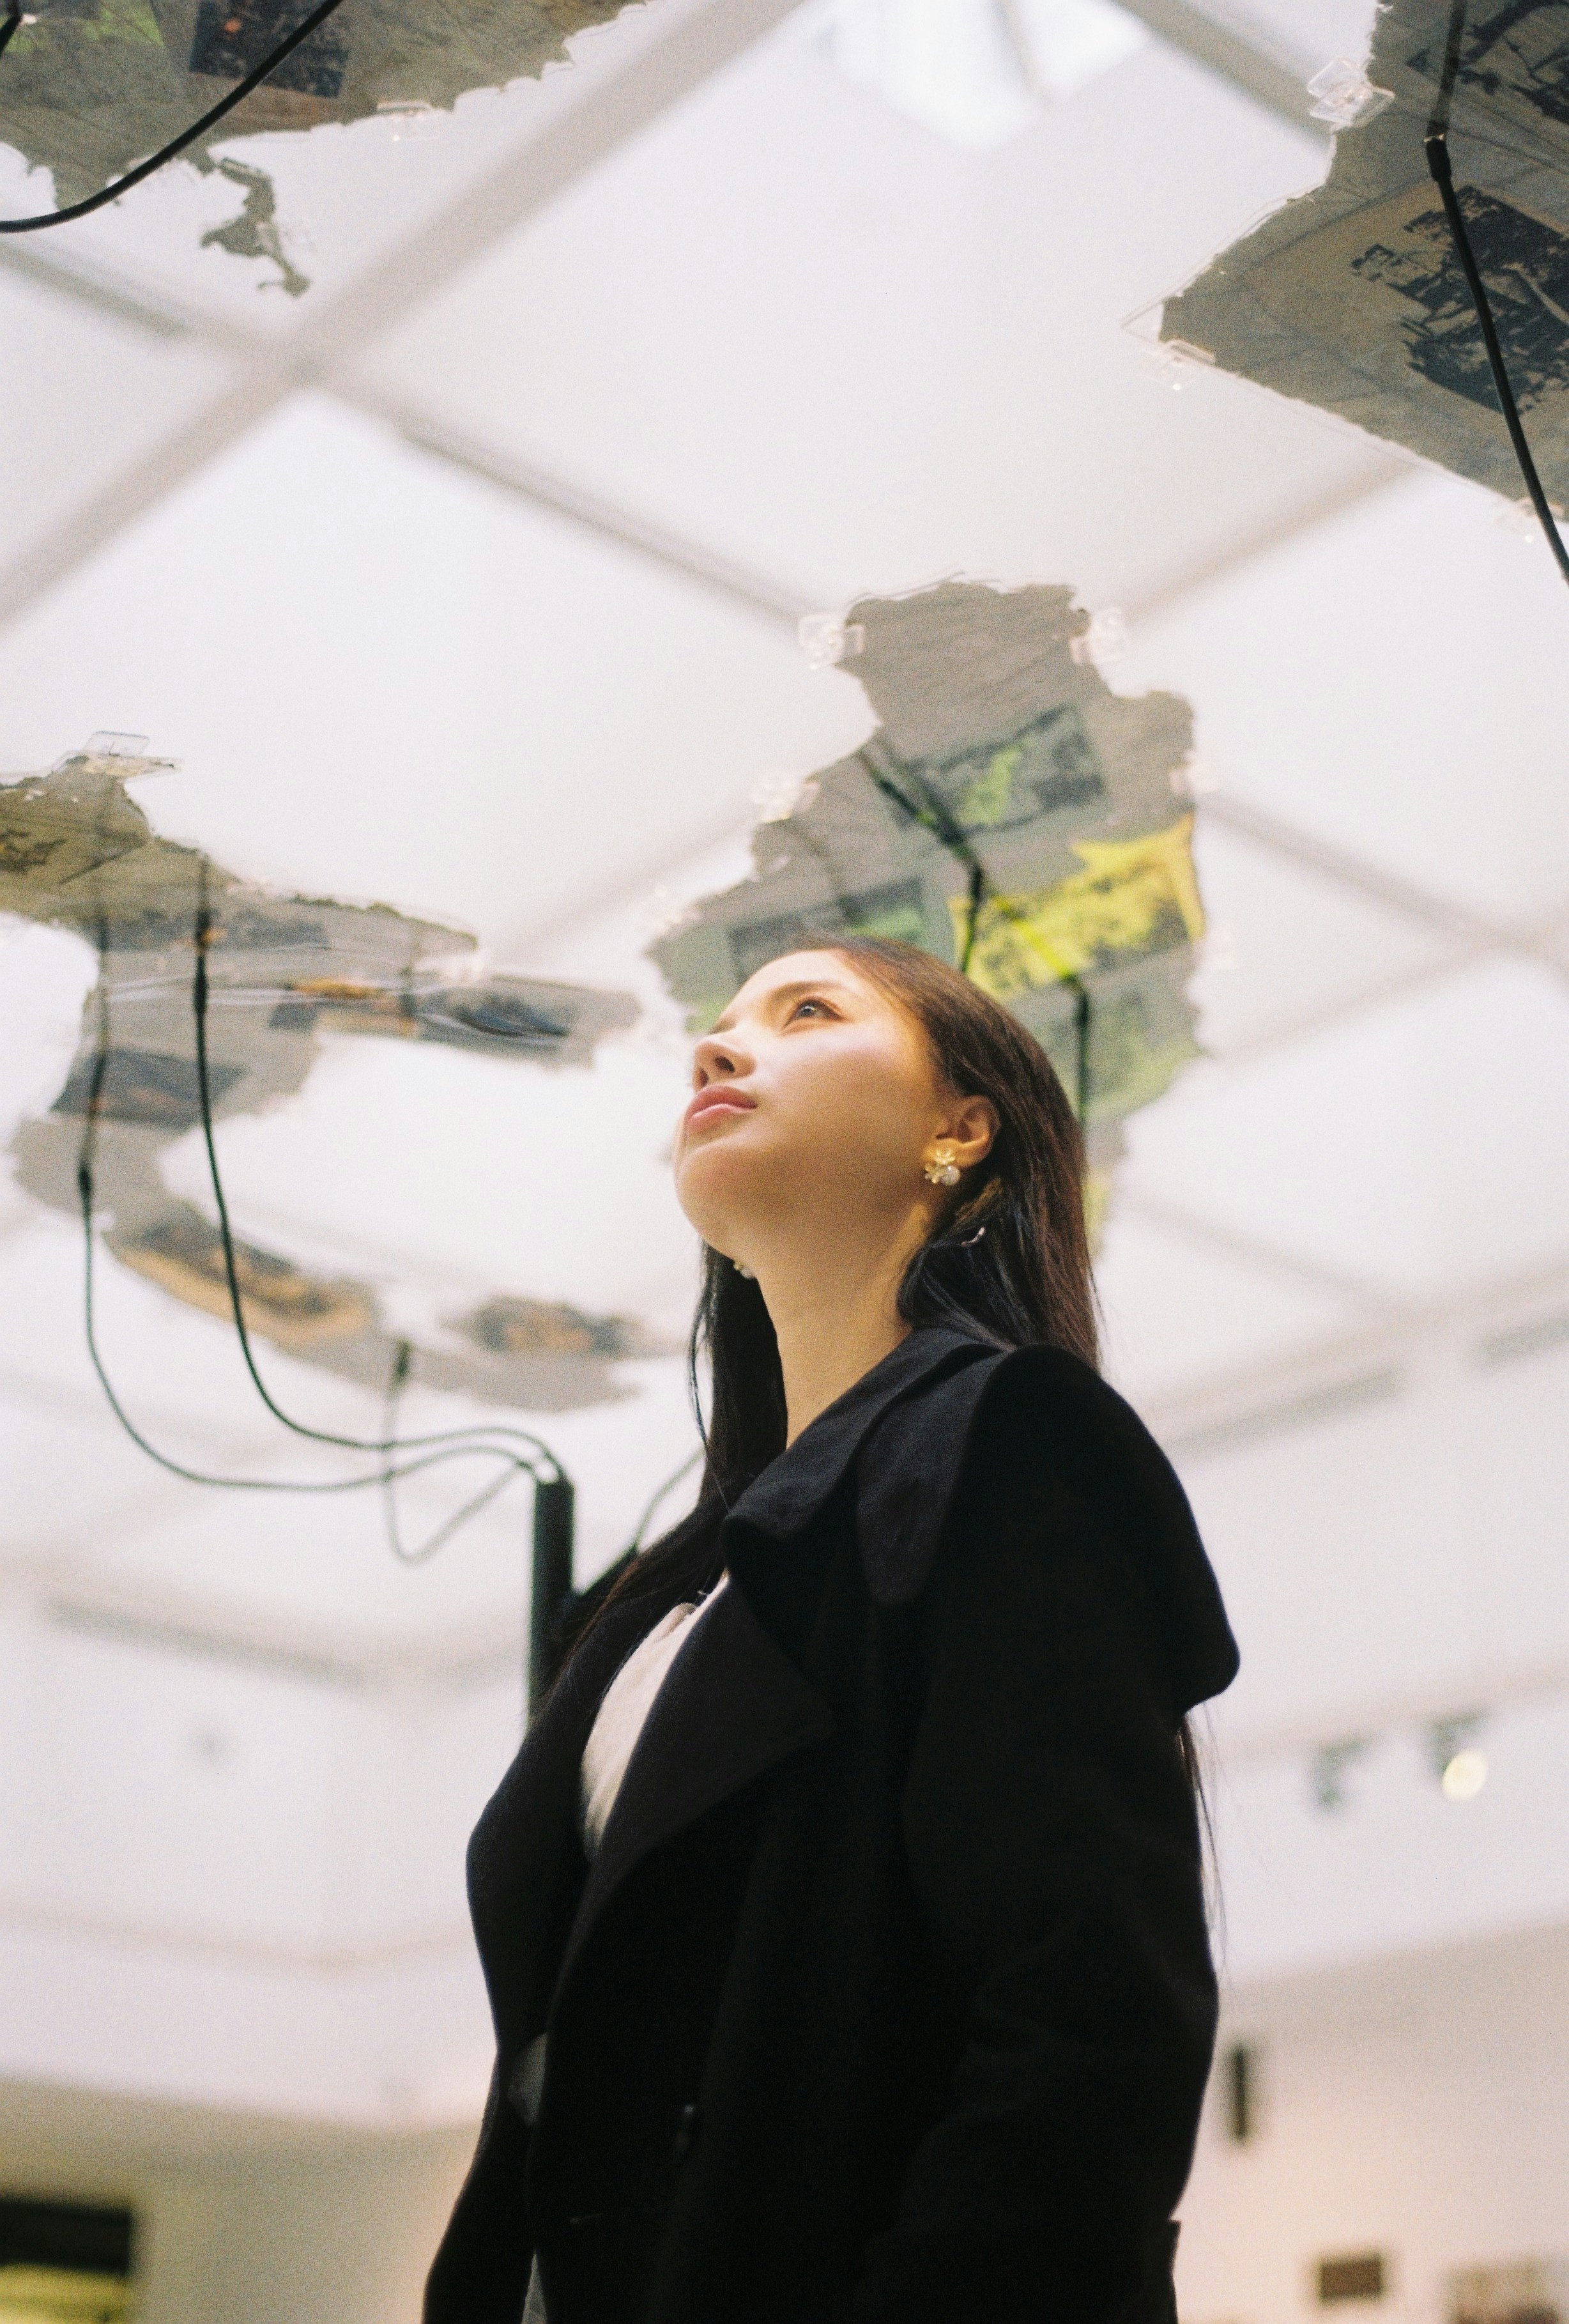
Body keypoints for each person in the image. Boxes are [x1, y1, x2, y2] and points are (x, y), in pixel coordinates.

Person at [424, 936, 1239, 2324]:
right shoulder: (669, 1595)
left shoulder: (1016, 1443)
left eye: (806, 1013)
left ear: (959, 1128)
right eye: (719, 1021)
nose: (720, 1048)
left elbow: (1085, 2031)